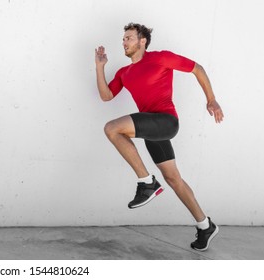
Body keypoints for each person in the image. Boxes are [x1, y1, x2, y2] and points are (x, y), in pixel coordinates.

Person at [94, 23, 224, 251]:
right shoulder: (124, 73)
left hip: (165, 121)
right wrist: (99, 67)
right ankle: (205, 225)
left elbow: (197, 68)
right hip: (151, 129)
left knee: (112, 128)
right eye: (123, 39)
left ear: (142, 41)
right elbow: (106, 96)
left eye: (129, 38)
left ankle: (146, 182)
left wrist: (211, 99)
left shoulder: (160, 58)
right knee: (173, 179)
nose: (124, 42)